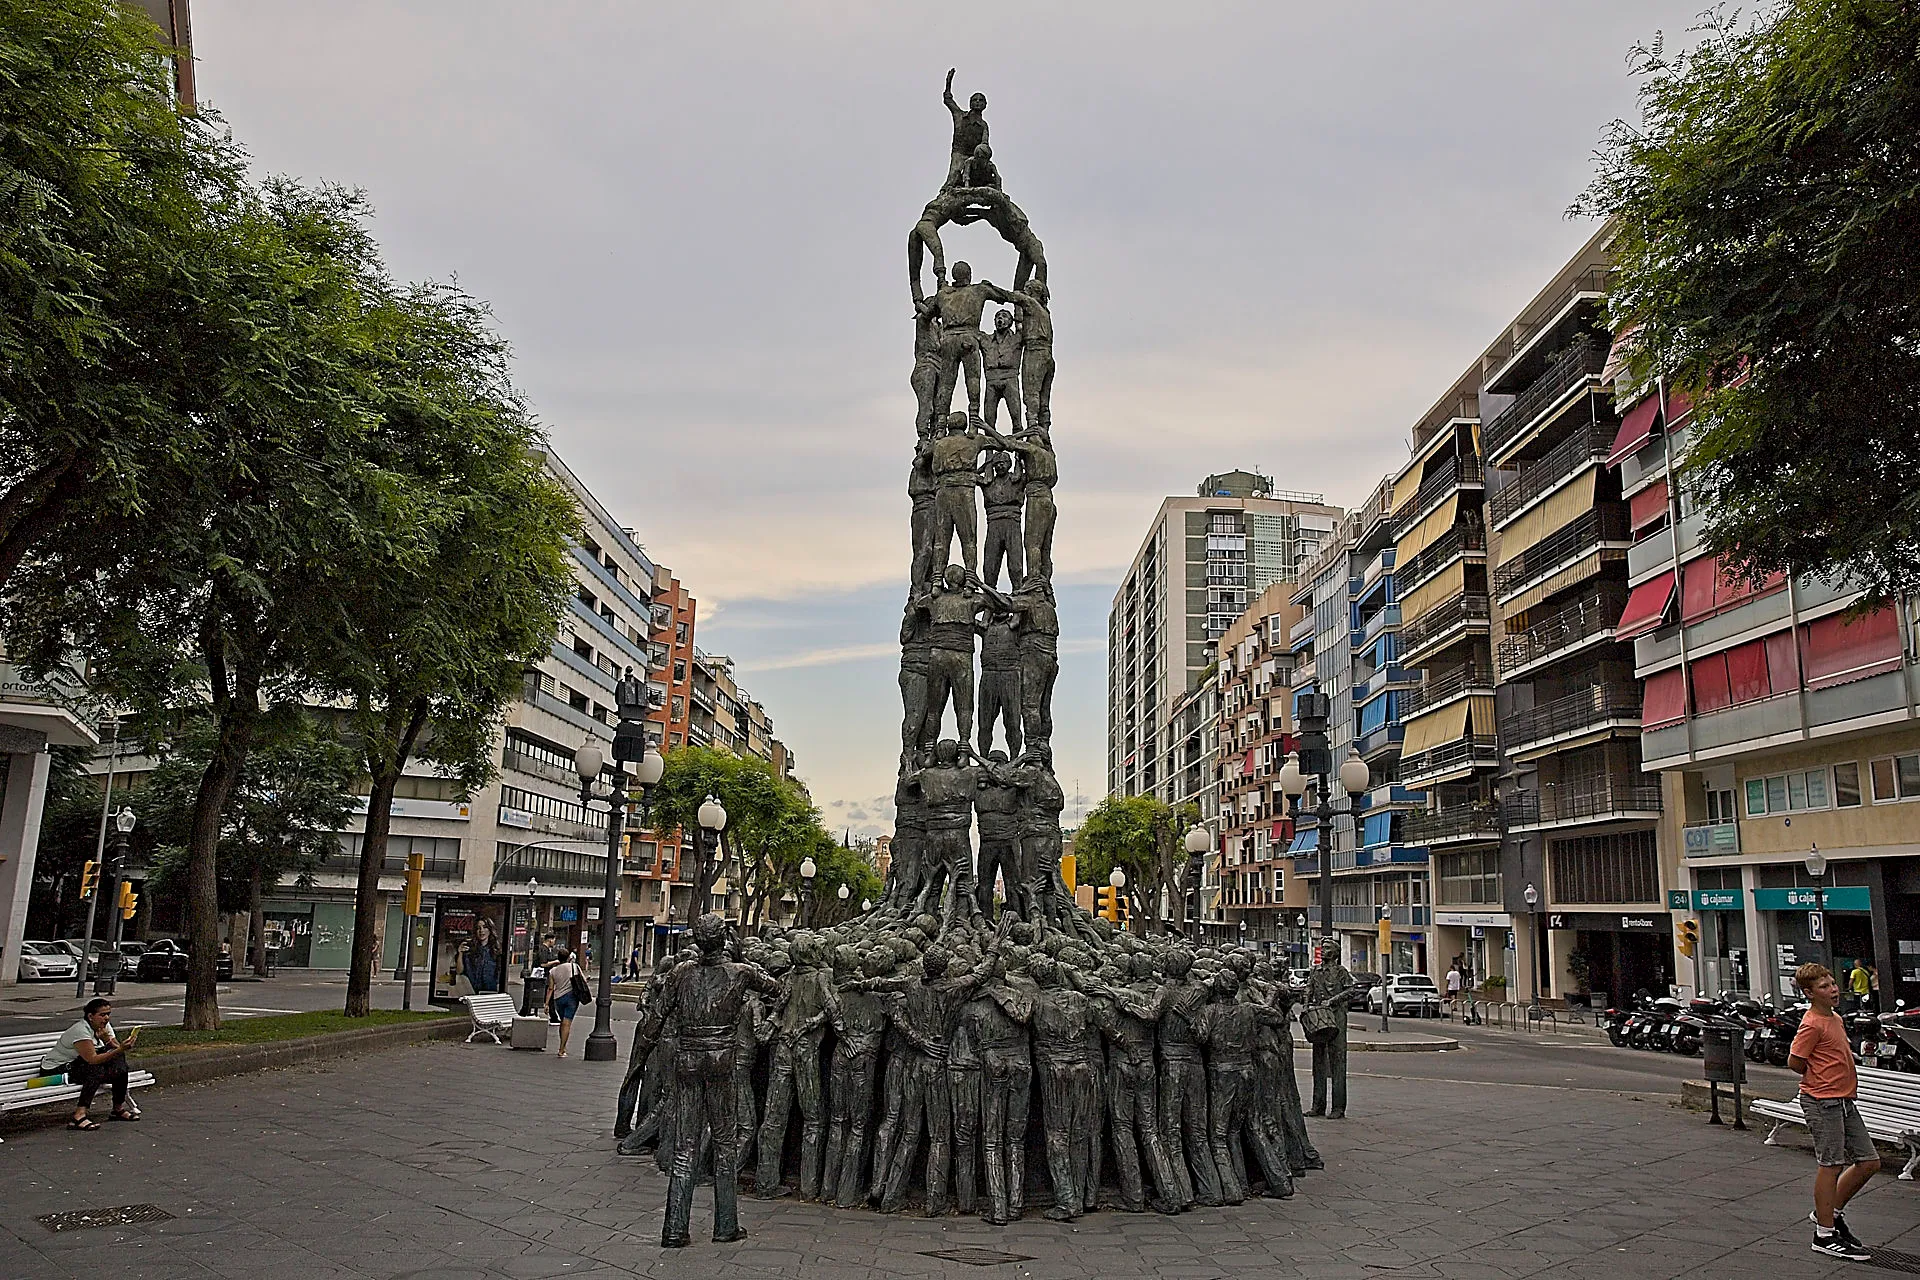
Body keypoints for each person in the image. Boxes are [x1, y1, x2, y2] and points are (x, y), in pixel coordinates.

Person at [1790, 962, 1879, 1262]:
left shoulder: (1835, 1019)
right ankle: (1824, 1235)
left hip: (1844, 1100)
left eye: (1832, 983)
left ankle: (1829, 1213)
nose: (1833, 989)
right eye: (1825, 986)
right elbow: (1795, 1062)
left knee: (1869, 1161)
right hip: (1822, 1101)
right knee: (1831, 1164)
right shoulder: (1812, 1023)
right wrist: (1819, 1075)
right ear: (1809, 993)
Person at [41, 998, 140, 1130]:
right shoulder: (81, 1031)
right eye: (102, 1015)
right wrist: (119, 1049)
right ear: (90, 1016)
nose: (106, 1018)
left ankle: (118, 1108)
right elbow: (92, 1059)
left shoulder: (104, 1027)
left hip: (80, 1065)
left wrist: (107, 1040)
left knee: (120, 1065)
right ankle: (79, 1115)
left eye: (108, 1014)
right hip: (57, 1069)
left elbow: (117, 1049)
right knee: (95, 1069)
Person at [546, 949, 585, 1058]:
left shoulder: (553, 971)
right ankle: (561, 1049)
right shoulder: (574, 967)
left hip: (558, 998)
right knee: (566, 1023)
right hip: (572, 997)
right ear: (568, 957)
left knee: (563, 1022)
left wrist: (546, 1003)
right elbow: (584, 980)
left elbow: (550, 988)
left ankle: (562, 1046)